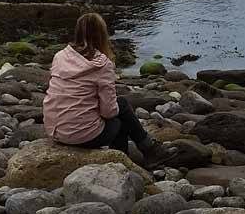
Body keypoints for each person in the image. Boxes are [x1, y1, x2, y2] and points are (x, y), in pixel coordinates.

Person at [43, 13, 176, 166]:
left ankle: (132, 155)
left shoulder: (60, 56)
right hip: (79, 135)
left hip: (54, 130)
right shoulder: (101, 64)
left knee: (120, 110)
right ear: (101, 34)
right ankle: (140, 154)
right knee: (121, 112)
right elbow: (109, 112)